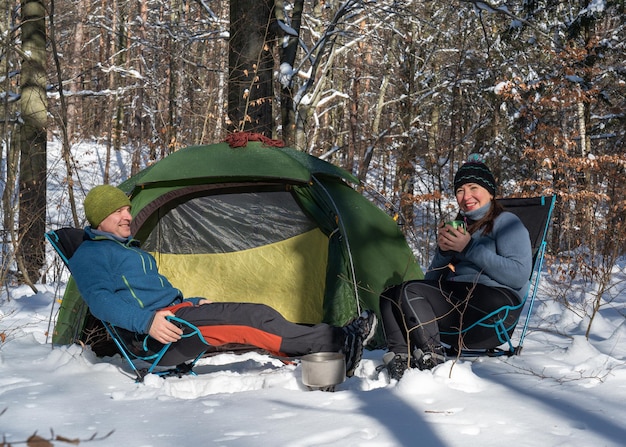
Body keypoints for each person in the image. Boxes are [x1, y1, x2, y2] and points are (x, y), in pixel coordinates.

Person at [69, 185, 377, 377]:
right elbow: (100, 301)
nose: (127, 215)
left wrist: (191, 302)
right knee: (250, 319)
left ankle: (325, 344)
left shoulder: (125, 249)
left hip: (177, 316)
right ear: (99, 218)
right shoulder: (91, 253)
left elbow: (154, 295)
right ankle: (338, 340)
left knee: (258, 313)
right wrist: (146, 322)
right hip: (155, 336)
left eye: (127, 209)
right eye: (117, 211)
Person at [379, 155, 532, 380]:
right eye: (460, 190)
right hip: (462, 307)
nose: (466, 196)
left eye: (473, 187)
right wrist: (443, 253)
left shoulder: (507, 222)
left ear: (490, 192)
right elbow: (429, 281)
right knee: (391, 294)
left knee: (410, 291)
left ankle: (432, 359)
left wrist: (469, 248)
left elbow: (518, 276)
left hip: (495, 310)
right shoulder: (461, 227)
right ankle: (401, 360)